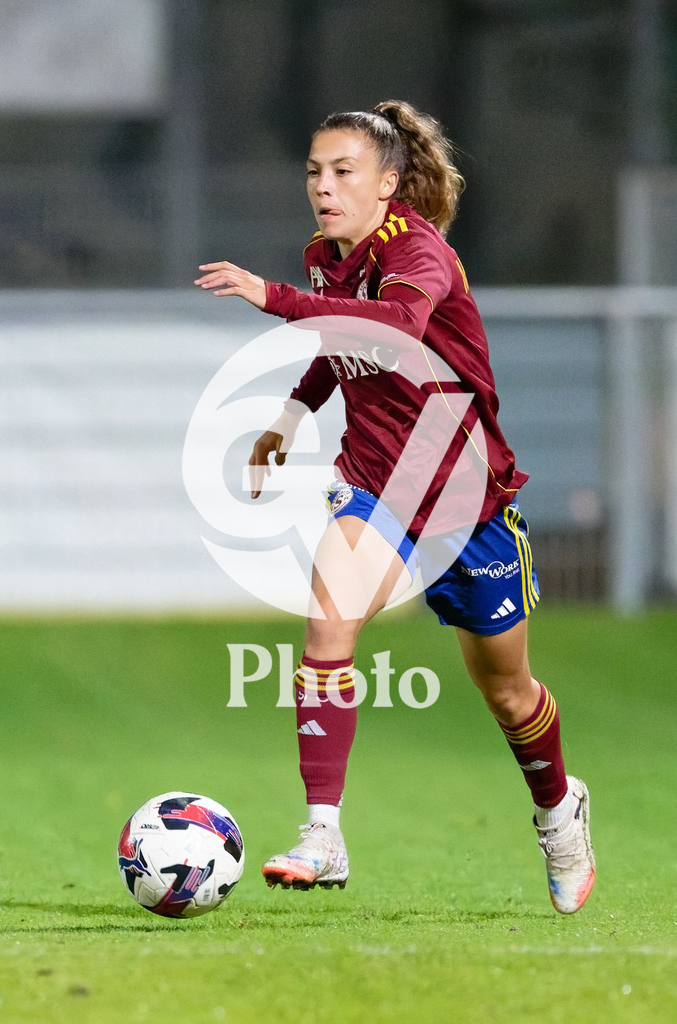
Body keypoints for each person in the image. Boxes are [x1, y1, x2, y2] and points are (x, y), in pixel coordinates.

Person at [194, 100, 595, 914]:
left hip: (464, 498)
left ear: (388, 182)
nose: (323, 187)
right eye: (314, 171)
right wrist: (290, 417)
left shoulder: (419, 252)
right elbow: (342, 344)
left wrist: (271, 296)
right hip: (377, 484)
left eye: (343, 171)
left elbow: (397, 324)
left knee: (507, 692)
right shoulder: (324, 256)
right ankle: (322, 834)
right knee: (326, 629)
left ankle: (558, 811)